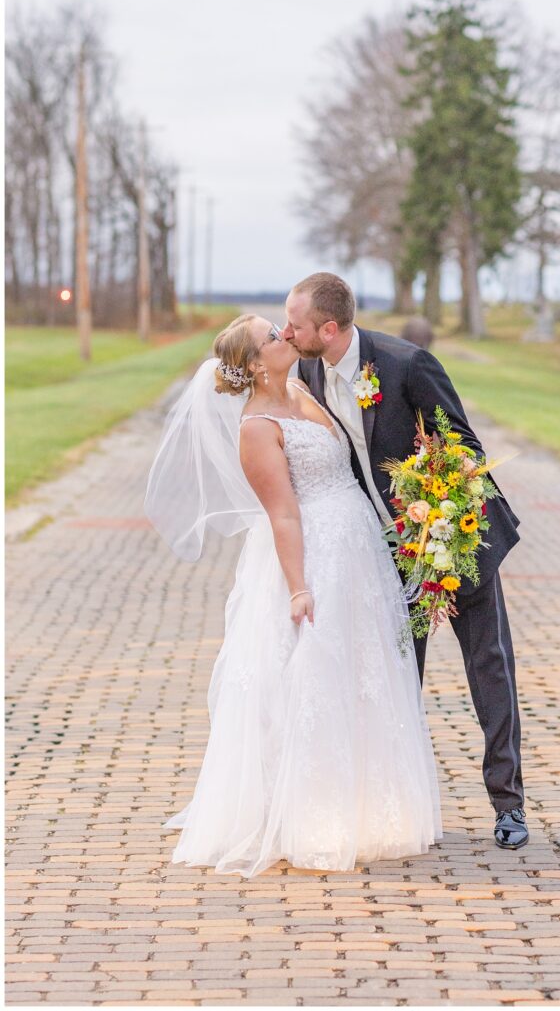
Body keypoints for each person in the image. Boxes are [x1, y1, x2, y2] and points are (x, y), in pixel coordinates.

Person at [144, 313, 443, 877]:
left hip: (356, 550)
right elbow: (282, 513)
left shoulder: (303, 385)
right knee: (313, 679)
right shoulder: (256, 427)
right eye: (272, 336)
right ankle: (311, 816)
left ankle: (372, 808)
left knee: (364, 671)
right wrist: (299, 588)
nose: (285, 335)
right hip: (313, 558)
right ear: (255, 364)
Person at [284, 272, 528, 850]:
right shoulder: (308, 370)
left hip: (452, 536)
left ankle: (509, 804)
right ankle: (398, 806)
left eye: (295, 322)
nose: (285, 330)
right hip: (380, 552)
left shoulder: (406, 364)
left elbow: (464, 446)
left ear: (329, 327)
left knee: (488, 666)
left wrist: (435, 513)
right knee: (395, 676)